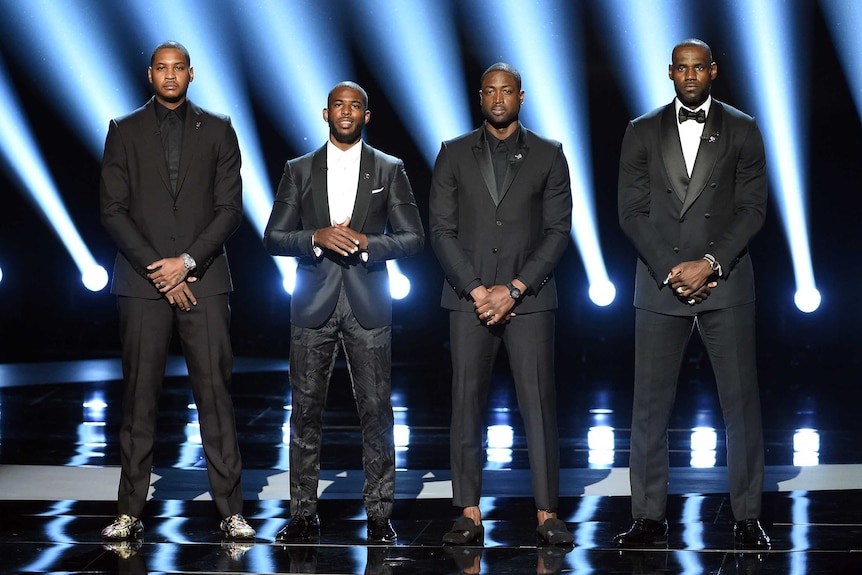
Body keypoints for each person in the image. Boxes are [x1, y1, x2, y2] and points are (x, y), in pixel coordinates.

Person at [614, 38, 770, 550]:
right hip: (661, 284)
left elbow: (752, 210)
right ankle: (648, 516)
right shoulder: (640, 131)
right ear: (669, 72)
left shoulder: (742, 128)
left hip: (725, 282)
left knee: (740, 404)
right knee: (650, 408)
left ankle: (748, 516)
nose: (689, 76)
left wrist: (708, 265)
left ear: (713, 72)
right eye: (680, 68)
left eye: (697, 68)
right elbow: (630, 213)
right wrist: (671, 269)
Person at [99, 41, 254, 541]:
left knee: (215, 396)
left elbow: (230, 209)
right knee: (139, 399)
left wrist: (185, 264)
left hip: (204, 281)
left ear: (192, 73)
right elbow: (112, 210)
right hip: (142, 285)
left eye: (178, 68)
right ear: (150, 74)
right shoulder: (123, 130)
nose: (170, 75)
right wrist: (157, 269)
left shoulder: (220, 128)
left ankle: (230, 509)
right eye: (162, 68)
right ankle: (129, 511)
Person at [263, 81, 424, 544]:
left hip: (368, 302)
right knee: (305, 413)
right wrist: (315, 237)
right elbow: (274, 236)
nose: (347, 112)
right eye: (339, 105)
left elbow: (414, 237)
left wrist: (369, 244)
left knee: (376, 411)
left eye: (356, 106)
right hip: (312, 302)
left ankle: (378, 515)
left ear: (367, 116)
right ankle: (302, 513)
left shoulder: (389, 168)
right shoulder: (299, 170)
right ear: (325, 112)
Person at [429, 62, 574, 546]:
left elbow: (557, 232)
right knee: (466, 404)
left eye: (506, 91)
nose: (497, 98)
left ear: (521, 96)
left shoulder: (549, 154)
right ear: (480, 96)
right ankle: (468, 512)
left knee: (538, 405)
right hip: (466, 300)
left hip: (528, 301)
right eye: (489, 91)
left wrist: (513, 289)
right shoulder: (452, 153)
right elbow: (441, 232)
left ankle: (547, 514)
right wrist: (476, 289)